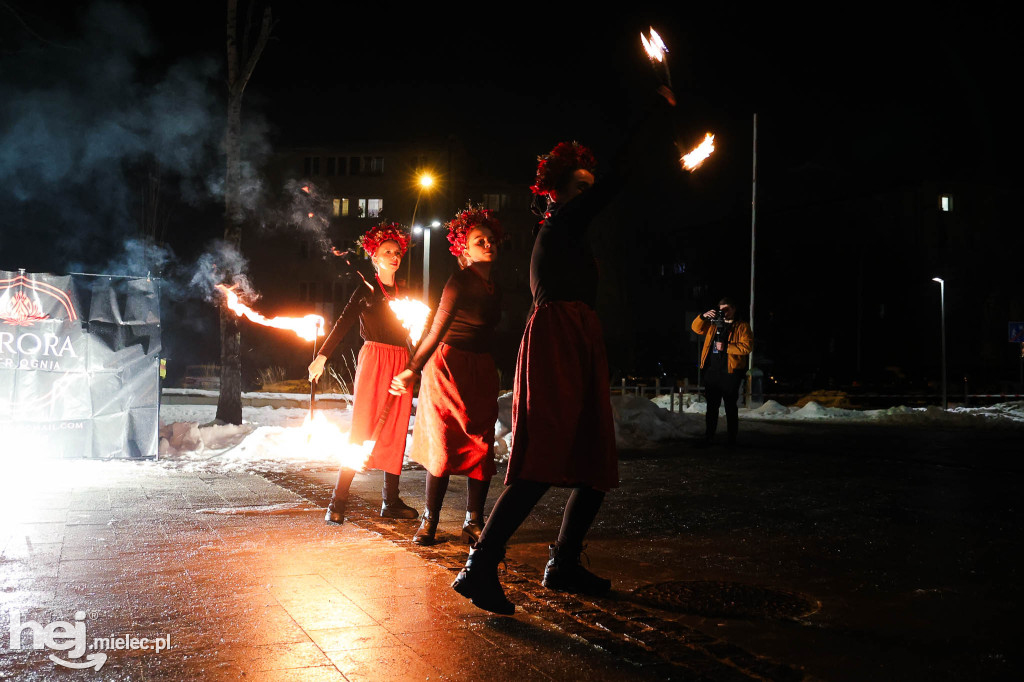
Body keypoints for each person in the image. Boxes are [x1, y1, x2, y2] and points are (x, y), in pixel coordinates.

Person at [451, 142, 622, 616]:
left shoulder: (572, 231)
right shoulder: (560, 223)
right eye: (581, 187)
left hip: (580, 338)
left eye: (591, 186)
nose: (589, 195)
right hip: (557, 341)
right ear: (560, 193)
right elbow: (617, 182)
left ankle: (564, 563)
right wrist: (658, 114)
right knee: (542, 458)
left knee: (596, 457)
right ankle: (479, 566)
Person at [389, 207, 503, 547]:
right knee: (443, 445)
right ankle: (430, 520)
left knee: (481, 447)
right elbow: (435, 330)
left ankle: (474, 521)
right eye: (479, 240)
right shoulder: (459, 282)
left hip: (480, 369)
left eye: (491, 239)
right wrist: (412, 367)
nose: (488, 244)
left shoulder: (496, 285)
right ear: (464, 249)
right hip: (447, 369)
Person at [308, 223, 419, 524]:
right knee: (363, 427)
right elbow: (343, 323)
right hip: (374, 358)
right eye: (387, 252)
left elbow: (418, 332)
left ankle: (390, 500)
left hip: (401, 359)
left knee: (396, 428)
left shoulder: (406, 292)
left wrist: (416, 364)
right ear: (374, 256)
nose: (394, 256)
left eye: (397, 252)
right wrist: (321, 357)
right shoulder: (366, 289)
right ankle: (338, 499)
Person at [691, 298, 753, 446]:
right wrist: (703, 316)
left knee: (731, 406)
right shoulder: (712, 325)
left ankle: (732, 439)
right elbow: (696, 328)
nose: (724, 312)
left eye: (727, 309)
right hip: (712, 372)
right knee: (711, 407)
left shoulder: (742, 326)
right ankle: (709, 436)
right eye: (721, 309)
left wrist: (726, 347)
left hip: (731, 372)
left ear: (734, 309)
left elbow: (747, 347)